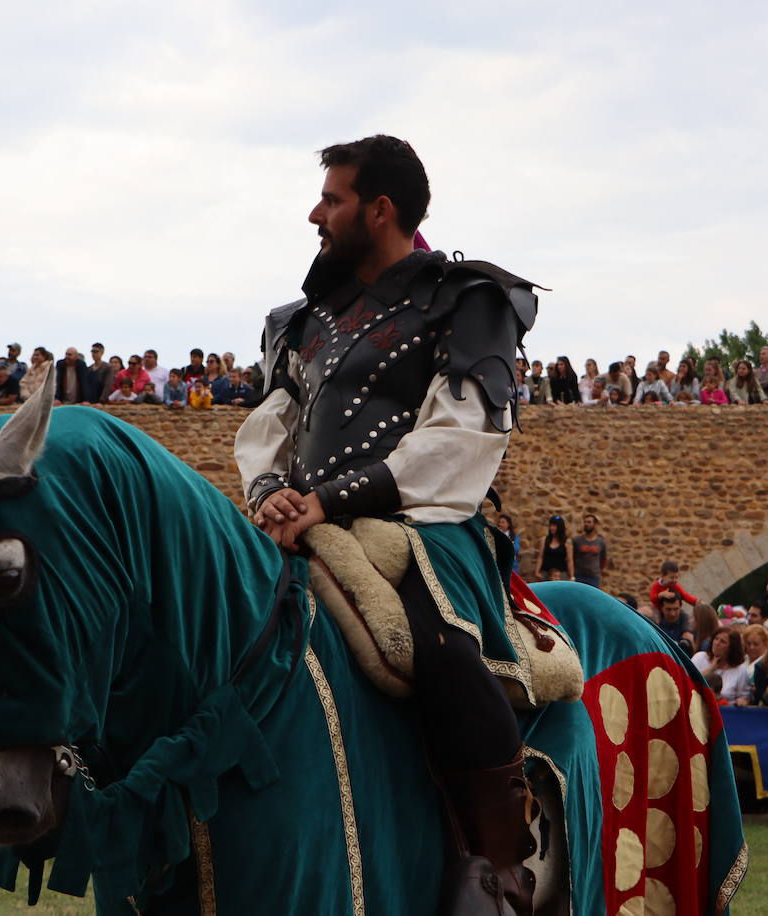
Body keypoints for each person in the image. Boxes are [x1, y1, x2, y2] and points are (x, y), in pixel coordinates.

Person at [234, 135, 542, 903]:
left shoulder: (470, 298)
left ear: (380, 210)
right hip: (295, 528)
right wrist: (271, 489)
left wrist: (333, 500)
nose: (316, 213)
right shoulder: (300, 321)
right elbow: (272, 422)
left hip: (419, 531)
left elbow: (463, 437)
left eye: (332, 199)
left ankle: (499, 866)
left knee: (436, 650)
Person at [692, 626, 753, 704]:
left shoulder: (740, 670)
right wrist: (711, 669)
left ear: (731, 648)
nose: (717, 643)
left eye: (723, 642)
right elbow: (689, 683)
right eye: (716, 639)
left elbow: (744, 697)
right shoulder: (699, 658)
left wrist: (743, 701)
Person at [570, 513, 608, 589]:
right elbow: (572, 558)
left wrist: (598, 571)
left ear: (595, 524)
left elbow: (603, 559)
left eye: (589, 522)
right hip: (579, 576)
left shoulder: (601, 542)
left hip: (593, 577)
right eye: (585, 522)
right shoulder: (577, 540)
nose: (586, 524)